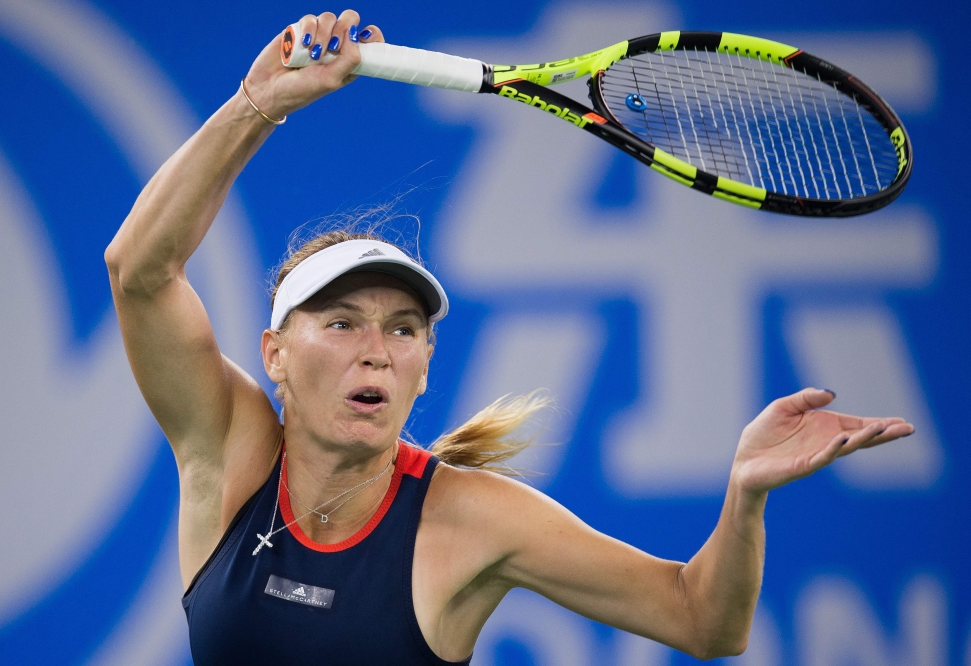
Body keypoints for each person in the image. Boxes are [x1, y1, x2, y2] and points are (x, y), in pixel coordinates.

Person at [104, 9, 915, 665]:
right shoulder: (231, 451)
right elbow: (139, 269)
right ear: (274, 355)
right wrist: (260, 102)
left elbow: (704, 622)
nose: (376, 348)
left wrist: (744, 497)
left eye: (404, 328)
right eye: (341, 322)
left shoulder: (474, 521)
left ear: (424, 370)